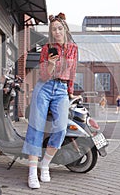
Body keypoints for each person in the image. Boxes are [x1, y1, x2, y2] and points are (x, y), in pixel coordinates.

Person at [22, 12, 78, 189]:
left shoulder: (73, 49)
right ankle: (32, 173)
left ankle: (45, 164)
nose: (57, 32)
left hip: (61, 90)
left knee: (61, 128)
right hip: (44, 88)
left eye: (59, 28)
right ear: (51, 32)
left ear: (65, 29)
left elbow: (73, 72)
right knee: (36, 127)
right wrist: (51, 63)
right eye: (53, 29)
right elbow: (44, 75)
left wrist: (70, 92)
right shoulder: (46, 48)